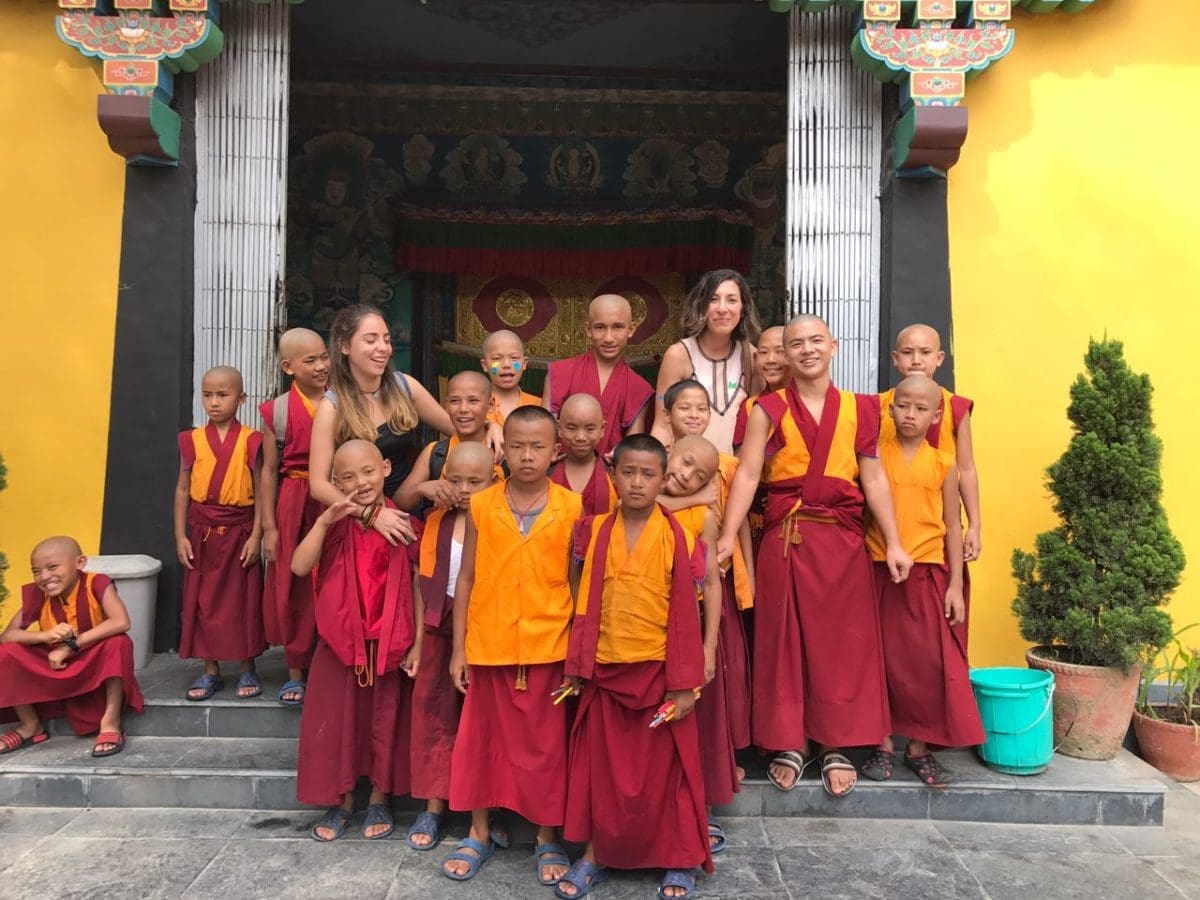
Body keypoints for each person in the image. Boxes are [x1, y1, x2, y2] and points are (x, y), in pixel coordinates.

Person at [718, 315, 912, 798]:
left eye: (815, 342)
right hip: (787, 538)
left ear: (834, 345)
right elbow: (747, 475)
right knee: (783, 640)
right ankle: (790, 742)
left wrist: (893, 540)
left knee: (840, 645)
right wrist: (725, 535)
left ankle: (836, 744)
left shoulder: (863, 409)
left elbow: (874, 478)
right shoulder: (767, 408)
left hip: (841, 541)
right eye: (794, 344)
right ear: (782, 353)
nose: (805, 351)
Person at [558, 435, 713, 900]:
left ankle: (678, 857)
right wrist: (576, 660)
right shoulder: (591, 530)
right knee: (600, 770)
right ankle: (594, 853)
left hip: (659, 672)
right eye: (629, 472)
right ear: (614, 475)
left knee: (668, 774)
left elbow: (694, 609)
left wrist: (687, 682)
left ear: (663, 479)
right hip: (603, 669)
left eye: (649, 474)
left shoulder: (681, 537)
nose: (638, 482)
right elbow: (575, 591)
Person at [445, 406, 582, 885]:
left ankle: (547, 837)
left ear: (556, 450)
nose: (527, 456)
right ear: (503, 450)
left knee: (546, 747)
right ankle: (479, 830)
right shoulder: (482, 505)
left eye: (538, 446)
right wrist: (459, 648)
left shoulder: (572, 506)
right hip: (490, 642)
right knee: (480, 742)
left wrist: (578, 655)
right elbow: (465, 578)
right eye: (518, 445)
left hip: (550, 644)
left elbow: (576, 583)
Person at [292, 440, 423, 842]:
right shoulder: (333, 523)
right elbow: (299, 566)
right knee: (339, 725)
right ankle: (344, 801)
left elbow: (419, 583)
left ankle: (380, 798)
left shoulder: (404, 522)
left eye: (367, 471)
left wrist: (417, 643)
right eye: (346, 477)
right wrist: (322, 522)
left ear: (385, 467)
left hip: (388, 641)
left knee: (385, 721)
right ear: (335, 482)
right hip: (340, 642)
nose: (360, 482)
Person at [861, 375, 983, 787]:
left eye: (920, 409)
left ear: (936, 416)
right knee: (878, 659)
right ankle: (881, 743)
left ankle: (918, 746)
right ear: (890, 409)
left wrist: (953, 586)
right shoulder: (873, 455)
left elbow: (952, 525)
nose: (909, 414)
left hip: (929, 569)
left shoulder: (944, 464)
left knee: (926, 663)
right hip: (878, 567)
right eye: (902, 406)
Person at [406, 442, 499, 851]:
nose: (463, 489)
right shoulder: (434, 520)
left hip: (483, 633)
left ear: (495, 482)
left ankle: (482, 811)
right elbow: (420, 581)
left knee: (480, 726)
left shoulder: (497, 519)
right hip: (438, 629)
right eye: (455, 480)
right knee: (433, 716)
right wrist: (417, 641)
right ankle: (433, 804)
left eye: (474, 482)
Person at [309, 304, 461, 550]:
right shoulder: (332, 406)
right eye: (371, 340)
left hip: (406, 508)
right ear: (345, 347)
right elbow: (319, 485)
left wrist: (490, 427)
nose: (383, 348)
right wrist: (371, 514)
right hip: (358, 516)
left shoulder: (405, 386)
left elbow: (458, 429)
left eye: (387, 340)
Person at [660, 435, 744, 857]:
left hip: (686, 627)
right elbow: (633, 504)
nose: (686, 475)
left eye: (700, 476)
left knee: (692, 721)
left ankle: (696, 807)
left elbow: (711, 582)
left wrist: (709, 645)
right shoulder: (636, 481)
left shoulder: (704, 518)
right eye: (685, 462)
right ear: (670, 450)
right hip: (639, 627)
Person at [0, 537, 143, 758]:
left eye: (52, 567)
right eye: (36, 571)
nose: (44, 577)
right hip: (55, 664)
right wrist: (45, 635)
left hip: (92, 661)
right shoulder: (39, 595)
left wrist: (71, 646)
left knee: (119, 643)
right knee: (7, 652)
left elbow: (121, 621)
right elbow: (8, 636)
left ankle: (110, 722)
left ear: (80, 562)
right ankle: (30, 726)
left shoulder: (97, 583)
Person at [174, 366, 266, 701]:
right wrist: (180, 536)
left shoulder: (253, 440)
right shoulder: (191, 439)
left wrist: (258, 536)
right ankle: (210, 670)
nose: (214, 403)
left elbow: (262, 492)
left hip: (241, 530)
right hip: (202, 532)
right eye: (208, 395)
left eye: (223, 395)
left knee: (244, 599)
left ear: (241, 398)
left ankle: (246, 666)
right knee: (202, 600)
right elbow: (183, 490)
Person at [259, 327, 330, 707]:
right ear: (288, 367)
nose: (321, 366)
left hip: (333, 496)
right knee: (292, 583)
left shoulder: (344, 400)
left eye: (324, 356)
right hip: (294, 499)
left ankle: (329, 663)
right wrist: (269, 527)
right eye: (310, 360)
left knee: (332, 579)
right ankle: (294, 671)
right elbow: (269, 470)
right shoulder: (279, 411)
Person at [882, 323, 981, 564]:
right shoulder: (881, 405)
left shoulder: (955, 407)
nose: (916, 360)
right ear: (895, 358)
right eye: (907, 352)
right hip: (890, 518)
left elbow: (966, 469)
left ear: (939, 358)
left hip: (941, 520)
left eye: (925, 353)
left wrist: (975, 525)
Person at [652, 270, 763, 453]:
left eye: (732, 300)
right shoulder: (679, 355)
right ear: (701, 306)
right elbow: (662, 424)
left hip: (733, 473)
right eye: (713, 299)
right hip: (686, 472)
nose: (722, 308)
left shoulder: (751, 356)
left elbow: (757, 428)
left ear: (743, 309)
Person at [543, 294, 652, 456]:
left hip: (610, 475)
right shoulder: (560, 373)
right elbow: (544, 432)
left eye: (618, 327)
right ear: (588, 329)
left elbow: (633, 447)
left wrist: (621, 454)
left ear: (631, 329)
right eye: (600, 327)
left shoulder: (639, 387)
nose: (608, 338)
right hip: (559, 471)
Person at [394, 370, 501, 515]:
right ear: (446, 405)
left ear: (490, 404)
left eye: (473, 401)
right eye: (455, 401)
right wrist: (422, 488)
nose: (463, 409)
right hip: (443, 534)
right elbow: (400, 502)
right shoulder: (436, 452)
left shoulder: (501, 449)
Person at [550, 394, 616, 517]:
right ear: (559, 428)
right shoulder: (546, 472)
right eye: (572, 428)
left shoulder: (613, 473)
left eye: (590, 429)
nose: (581, 437)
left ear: (602, 429)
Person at [732, 325, 787, 449]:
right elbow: (742, 460)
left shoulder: (812, 401)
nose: (771, 359)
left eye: (780, 351)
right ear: (755, 358)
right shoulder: (750, 407)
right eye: (763, 352)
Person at [481, 329, 541, 427]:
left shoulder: (538, 406)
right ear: (484, 365)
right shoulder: (477, 406)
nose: (506, 364)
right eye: (497, 358)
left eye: (514, 358)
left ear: (524, 363)